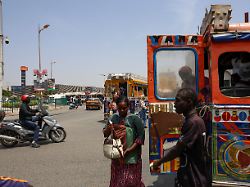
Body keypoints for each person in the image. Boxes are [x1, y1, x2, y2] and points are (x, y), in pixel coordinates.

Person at [152, 88, 209, 187]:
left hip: (193, 178)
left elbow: (177, 149)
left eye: (178, 100)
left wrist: (159, 162)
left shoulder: (193, 122)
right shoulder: (193, 120)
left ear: (189, 102)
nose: (174, 104)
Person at [103, 96, 145, 187]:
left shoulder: (135, 119)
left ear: (128, 106)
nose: (122, 110)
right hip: (117, 158)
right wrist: (109, 128)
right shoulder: (113, 118)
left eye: (124, 108)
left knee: (132, 182)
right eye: (120, 108)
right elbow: (105, 134)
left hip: (132, 158)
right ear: (117, 107)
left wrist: (128, 150)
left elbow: (140, 138)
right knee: (117, 182)